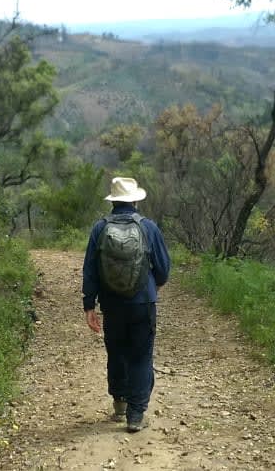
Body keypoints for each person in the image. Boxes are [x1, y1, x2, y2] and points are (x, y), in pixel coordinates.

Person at [82, 177, 170, 432]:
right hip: (143, 302)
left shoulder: (99, 228)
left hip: (112, 304)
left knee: (117, 351)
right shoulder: (148, 228)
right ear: (134, 200)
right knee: (141, 356)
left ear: (113, 201)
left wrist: (89, 305)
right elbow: (163, 268)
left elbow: (90, 271)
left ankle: (119, 403)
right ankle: (135, 415)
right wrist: (155, 285)